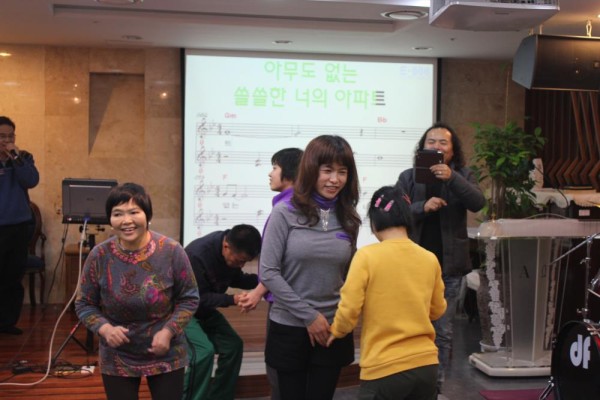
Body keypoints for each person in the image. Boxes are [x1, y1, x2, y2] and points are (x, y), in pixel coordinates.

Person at [75, 182, 200, 400]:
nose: (126, 220)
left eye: (134, 212)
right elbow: (84, 303)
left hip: (166, 350)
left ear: (147, 215)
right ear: (110, 219)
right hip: (117, 353)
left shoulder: (172, 251)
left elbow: (189, 298)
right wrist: (105, 329)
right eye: (118, 214)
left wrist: (168, 331)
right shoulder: (99, 255)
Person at [260, 135, 361, 400]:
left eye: (342, 172)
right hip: (290, 326)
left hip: (332, 328)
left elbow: (349, 273)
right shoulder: (284, 212)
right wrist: (309, 316)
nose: (334, 179)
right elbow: (268, 272)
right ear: (311, 170)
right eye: (327, 170)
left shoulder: (349, 218)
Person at [327, 186, 447, 400]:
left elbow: (349, 308)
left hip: (384, 367)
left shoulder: (367, 256)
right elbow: (437, 310)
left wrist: (337, 330)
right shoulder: (429, 258)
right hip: (426, 365)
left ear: (374, 223)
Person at [395, 122, 485, 393]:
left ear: (452, 150)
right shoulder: (408, 177)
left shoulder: (462, 175)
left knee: (442, 331)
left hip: (449, 267)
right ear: (422, 147)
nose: (436, 146)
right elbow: (395, 212)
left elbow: (478, 203)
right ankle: (410, 386)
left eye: (443, 143)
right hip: (412, 267)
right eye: (431, 142)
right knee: (410, 328)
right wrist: (423, 206)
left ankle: (435, 389)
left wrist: (451, 178)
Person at [238, 147, 303, 400]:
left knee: (279, 376)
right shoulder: (293, 205)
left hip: (284, 305)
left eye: (275, 167)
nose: (270, 173)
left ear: (290, 173)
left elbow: (277, 264)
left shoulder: (286, 208)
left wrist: (257, 292)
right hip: (288, 300)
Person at [183, 224, 262, 400]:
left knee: (233, 346)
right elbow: (198, 299)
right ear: (226, 246)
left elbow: (236, 278)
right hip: (182, 311)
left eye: (245, 262)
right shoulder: (197, 255)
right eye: (240, 261)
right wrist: (233, 299)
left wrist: (264, 282)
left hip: (204, 311)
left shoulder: (231, 251)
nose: (241, 265)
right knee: (204, 353)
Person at [0, 116, 39, 335]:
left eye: (10, 136)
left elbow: (31, 180)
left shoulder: (23, 158)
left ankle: (7, 323)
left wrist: (15, 159)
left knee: (13, 278)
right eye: (2, 136)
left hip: (19, 226)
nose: (7, 141)